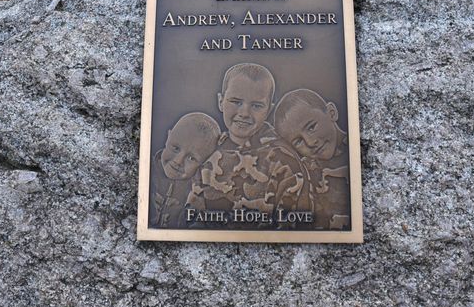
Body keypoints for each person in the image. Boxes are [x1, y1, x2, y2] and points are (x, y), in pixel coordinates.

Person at [188, 63, 307, 229]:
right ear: (221, 102)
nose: (244, 113)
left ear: (269, 110)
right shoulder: (206, 152)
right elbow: (192, 221)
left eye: (257, 106)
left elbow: (292, 227)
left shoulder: (283, 160)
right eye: (235, 102)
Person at [273, 88, 351, 230]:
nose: (310, 142)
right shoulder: (304, 172)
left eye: (311, 127)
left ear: (331, 113)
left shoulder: (359, 149)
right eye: (298, 142)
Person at [149, 112, 221, 228]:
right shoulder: (147, 172)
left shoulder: (198, 192)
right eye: (175, 148)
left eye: (192, 158)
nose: (178, 161)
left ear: (203, 163)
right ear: (168, 137)